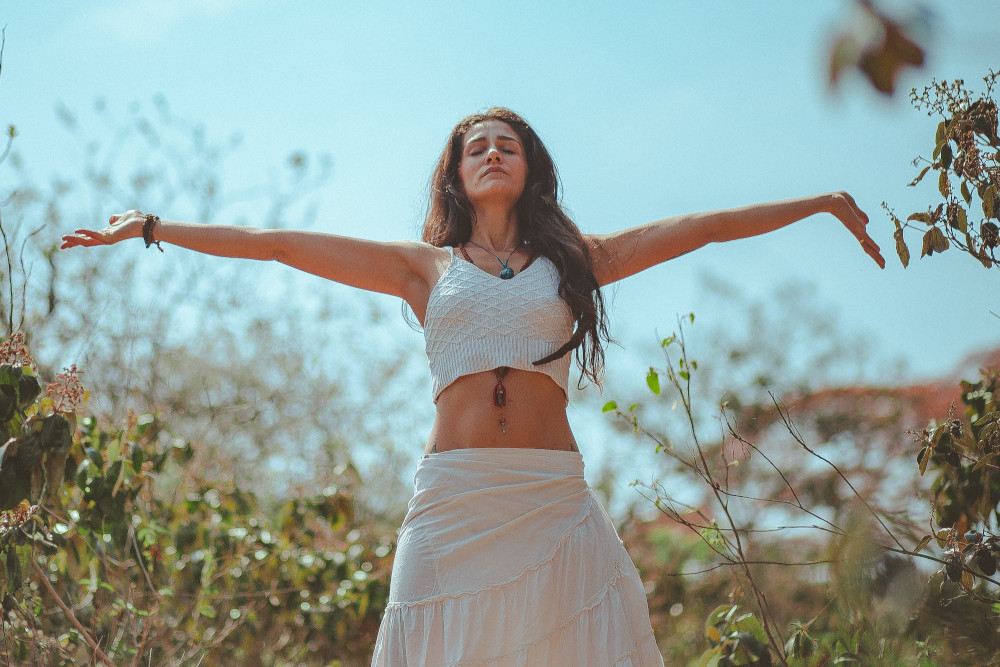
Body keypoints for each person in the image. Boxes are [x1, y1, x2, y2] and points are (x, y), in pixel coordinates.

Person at [61, 107, 884, 666]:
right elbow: (276, 242)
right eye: (476, 146)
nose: (493, 153)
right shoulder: (423, 268)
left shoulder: (577, 259)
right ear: (456, 171)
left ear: (531, 169)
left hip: (549, 497)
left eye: (508, 145)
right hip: (453, 499)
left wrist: (817, 203)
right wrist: (155, 227)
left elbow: (702, 226)